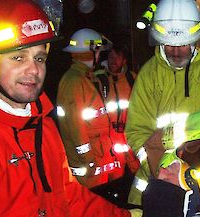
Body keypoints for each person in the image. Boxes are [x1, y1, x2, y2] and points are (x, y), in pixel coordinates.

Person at [0, 1, 141, 217]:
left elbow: (67, 196)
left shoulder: (42, 126)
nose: (33, 69)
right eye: (18, 57)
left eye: (39, 57)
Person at [125, 0, 200, 206]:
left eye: (183, 45)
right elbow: (136, 132)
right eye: (168, 45)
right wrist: (165, 171)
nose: (175, 52)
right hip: (159, 185)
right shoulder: (149, 75)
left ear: (197, 38)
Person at [57, 31, 140, 197]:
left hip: (99, 160)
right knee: (93, 209)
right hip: (89, 167)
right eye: (98, 51)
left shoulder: (86, 79)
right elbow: (75, 127)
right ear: (90, 51)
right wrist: (88, 160)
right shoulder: (75, 82)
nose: (101, 56)